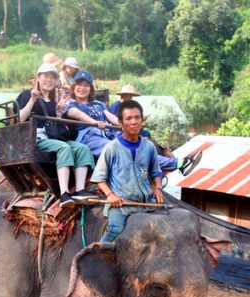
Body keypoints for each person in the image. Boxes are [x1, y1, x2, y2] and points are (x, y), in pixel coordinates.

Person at [16, 63, 96, 207]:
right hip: (36, 138)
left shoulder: (54, 101)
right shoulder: (27, 95)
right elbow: (18, 119)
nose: (49, 80)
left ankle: (80, 190)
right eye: (46, 76)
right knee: (64, 148)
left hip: (53, 138)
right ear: (38, 77)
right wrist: (32, 100)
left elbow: (55, 127)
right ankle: (64, 193)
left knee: (82, 148)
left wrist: (59, 113)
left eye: (52, 77)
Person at [91, 100, 163, 242]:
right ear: (120, 122)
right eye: (129, 118)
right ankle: (98, 255)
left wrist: (158, 188)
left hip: (147, 204)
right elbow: (99, 177)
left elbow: (156, 172)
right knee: (115, 230)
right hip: (122, 205)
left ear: (142, 120)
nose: (134, 122)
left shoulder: (149, 146)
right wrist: (111, 195)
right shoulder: (111, 148)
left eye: (137, 117)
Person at [64, 70, 119, 158]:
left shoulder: (99, 104)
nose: (82, 88)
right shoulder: (71, 103)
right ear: (74, 87)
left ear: (91, 89)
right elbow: (77, 114)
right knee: (113, 148)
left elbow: (110, 116)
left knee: (127, 145)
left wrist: (124, 124)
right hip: (87, 136)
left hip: (105, 134)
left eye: (86, 85)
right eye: (79, 84)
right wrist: (95, 123)